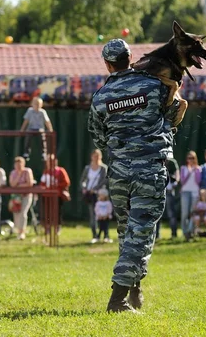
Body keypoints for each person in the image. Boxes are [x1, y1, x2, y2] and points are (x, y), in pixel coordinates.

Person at [88, 39, 181, 313]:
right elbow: (173, 114)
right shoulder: (154, 86)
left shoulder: (101, 96)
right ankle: (117, 300)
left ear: (108, 64)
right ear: (131, 58)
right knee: (140, 232)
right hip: (149, 170)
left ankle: (135, 288)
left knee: (128, 231)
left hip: (119, 172)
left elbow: (97, 136)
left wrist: (121, 149)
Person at [79, 149, 108, 243]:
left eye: (97, 156)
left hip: (100, 195)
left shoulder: (103, 168)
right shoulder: (87, 168)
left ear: (100, 157)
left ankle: (104, 235)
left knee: (103, 215)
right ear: (91, 156)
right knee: (92, 214)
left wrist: (94, 189)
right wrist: (84, 188)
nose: (95, 158)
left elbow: (104, 180)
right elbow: (82, 180)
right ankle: (94, 235)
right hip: (90, 195)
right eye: (94, 156)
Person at [40, 155, 70, 236]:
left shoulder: (60, 171)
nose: (50, 162)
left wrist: (56, 185)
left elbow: (66, 182)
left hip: (57, 195)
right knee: (47, 212)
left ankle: (57, 228)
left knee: (57, 212)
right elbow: (42, 183)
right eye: (49, 161)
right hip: (46, 196)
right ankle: (48, 228)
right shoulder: (46, 172)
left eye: (52, 160)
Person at [9, 156, 34, 240]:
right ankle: (18, 230)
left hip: (26, 195)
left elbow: (30, 183)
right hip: (16, 196)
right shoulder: (13, 173)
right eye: (17, 164)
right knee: (16, 213)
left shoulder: (27, 171)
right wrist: (19, 175)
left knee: (23, 213)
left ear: (24, 164)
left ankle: (22, 232)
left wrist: (19, 185)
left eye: (20, 164)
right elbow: (12, 184)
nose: (18, 166)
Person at [20, 97, 53, 161]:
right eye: (35, 104)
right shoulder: (29, 111)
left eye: (38, 104)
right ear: (32, 104)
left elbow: (47, 122)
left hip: (39, 129)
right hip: (31, 129)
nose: (37, 105)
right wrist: (22, 129)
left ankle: (43, 153)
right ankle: (26, 153)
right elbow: (26, 121)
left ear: (41, 105)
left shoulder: (43, 112)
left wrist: (50, 130)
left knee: (42, 137)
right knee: (28, 137)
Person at [156, 156, 179, 239]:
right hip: (159, 191)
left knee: (171, 214)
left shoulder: (172, 162)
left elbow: (177, 176)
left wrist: (174, 184)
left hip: (169, 191)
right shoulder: (157, 160)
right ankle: (157, 235)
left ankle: (174, 234)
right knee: (158, 214)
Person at [180, 151, 201, 240]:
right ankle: (185, 231)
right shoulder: (183, 168)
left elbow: (198, 181)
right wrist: (189, 172)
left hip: (195, 193)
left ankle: (190, 231)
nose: (190, 160)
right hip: (185, 192)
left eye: (192, 158)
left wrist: (195, 170)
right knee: (185, 213)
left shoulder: (199, 168)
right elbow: (182, 181)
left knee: (193, 213)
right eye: (189, 158)